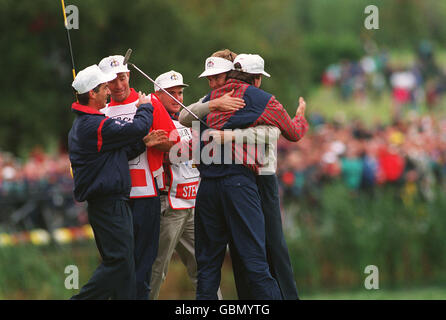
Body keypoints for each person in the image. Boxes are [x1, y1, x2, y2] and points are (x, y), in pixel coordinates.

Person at [179, 50, 303, 299]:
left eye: (216, 77)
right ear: (257, 77)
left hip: (207, 189)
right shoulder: (261, 98)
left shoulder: (206, 100)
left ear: (230, 73)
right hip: (239, 183)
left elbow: (184, 116)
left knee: (207, 270)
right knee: (256, 262)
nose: (213, 83)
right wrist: (301, 116)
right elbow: (290, 132)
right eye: (211, 79)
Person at [68, 64, 154, 299]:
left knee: (125, 268)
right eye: (105, 87)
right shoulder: (94, 125)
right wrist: (145, 108)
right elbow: (138, 127)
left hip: (111, 203)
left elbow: (118, 153)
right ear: (92, 93)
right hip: (108, 204)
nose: (109, 91)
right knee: (120, 263)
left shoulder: (89, 124)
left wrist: (143, 143)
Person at [98, 55, 178, 300]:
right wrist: (141, 141)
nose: (118, 85)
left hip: (147, 195)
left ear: (129, 76)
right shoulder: (100, 112)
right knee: (119, 263)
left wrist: (157, 141)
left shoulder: (150, 102)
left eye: (122, 78)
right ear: (104, 84)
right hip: (114, 198)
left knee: (144, 265)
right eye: (112, 81)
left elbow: (173, 140)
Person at [148, 70, 225, 300]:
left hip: (193, 205)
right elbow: (173, 152)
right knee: (156, 270)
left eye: (180, 93)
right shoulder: (152, 119)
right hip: (168, 207)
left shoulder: (189, 118)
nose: (177, 98)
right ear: (158, 95)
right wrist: (202, 146)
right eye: (170, 93)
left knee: (204, 269)